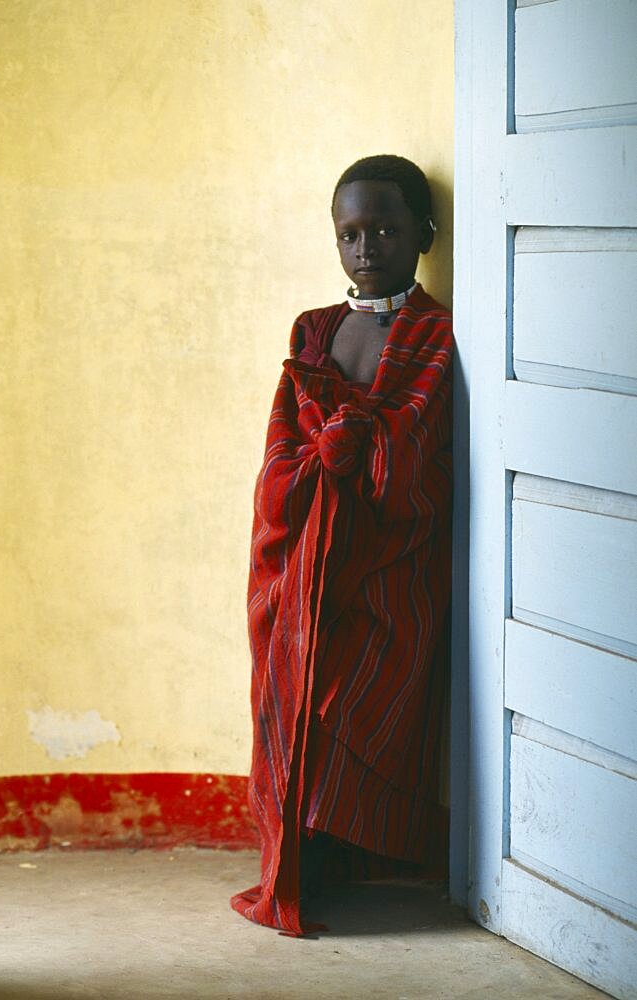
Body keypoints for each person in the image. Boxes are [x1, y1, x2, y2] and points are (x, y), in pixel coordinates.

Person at [231, 155, 453, 936]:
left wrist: (358, 441)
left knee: (356, 693)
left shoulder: (433, 333)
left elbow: (417, 453)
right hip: (302, 553)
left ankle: (357, 844)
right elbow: (281, 444)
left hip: (387, 559)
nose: (367, 247)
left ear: (424, 234)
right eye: (350, 233)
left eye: (387, 229)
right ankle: (304, 848)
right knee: (293, 688)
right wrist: (320, 457)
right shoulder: (312, 329)